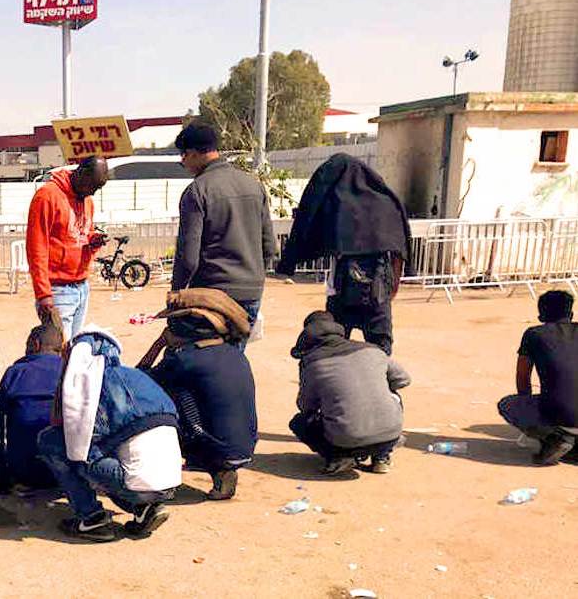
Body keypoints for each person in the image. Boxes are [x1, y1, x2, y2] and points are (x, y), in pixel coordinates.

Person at [39, 326, 181, 542]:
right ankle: (145, 509)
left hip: (136, 481)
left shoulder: (95, 385)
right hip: (170, 480)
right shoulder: (133, 376)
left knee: (53, 442)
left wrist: (64, 377)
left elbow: (74, 437)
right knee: (113, 457)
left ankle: (91, 518)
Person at [277, 153, 411, 355]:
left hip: (342, 292)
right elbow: (398, 250)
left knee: (334, 350)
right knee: (381, 355)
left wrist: (290, 260)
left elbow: (309, 220)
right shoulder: (386, 202)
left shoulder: (336, 204)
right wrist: (394, 286)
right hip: (378, 294)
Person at [139, 288, 257, 500]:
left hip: (216, 449)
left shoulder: (185, 360)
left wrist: (158, 345)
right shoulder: (233, 352)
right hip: (243, 448)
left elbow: (139, 383)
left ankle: (162, 480)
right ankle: (221, 471)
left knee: (156, 405)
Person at [171, 121, 276, 350]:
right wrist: (253, 277)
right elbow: (269, 247)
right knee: (235, 360)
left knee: (209, 362)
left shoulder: (197, 191)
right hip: (251, 292)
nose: (183, 162)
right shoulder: (253, 185)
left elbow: (188, 258)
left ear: (194, 153)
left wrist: (176, 295)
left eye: (184, 155)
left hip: (213, 296)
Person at [289, 311, 410, 475]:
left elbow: (305, 406)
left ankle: (339, 456)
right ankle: (382, 457)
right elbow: (403, 380)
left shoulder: (313, 363)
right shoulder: (372, 350)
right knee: (392, 392)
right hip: (390, 436)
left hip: (344, 439)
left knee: (299, 423)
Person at [26, 156, 109, 337]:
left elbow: (80, 235)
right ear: (82, 173)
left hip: (81, 286)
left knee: (73, 350)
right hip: (57, 289)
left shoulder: (87, 200)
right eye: (93, 186)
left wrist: (93, 240)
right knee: (60, 350)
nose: (93, 192)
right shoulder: (47, 196)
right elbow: (36, 248)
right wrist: (43, 294)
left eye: (98, 188)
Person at [499, 290, 578, 465]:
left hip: (561, 413)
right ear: (571, 314)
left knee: (508, 405)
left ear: (541, 315)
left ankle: (551, 439)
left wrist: (529, 410)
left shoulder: (533, 334)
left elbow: (522, 379)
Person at [0, 321, 63, 494]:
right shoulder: (71, 372)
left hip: (23, 473)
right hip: (64, 473)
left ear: (35, 344)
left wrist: (0, 473)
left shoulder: (15, 372)